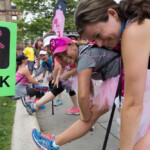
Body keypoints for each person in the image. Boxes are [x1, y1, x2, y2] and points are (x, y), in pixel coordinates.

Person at [74, 0, 150, 149]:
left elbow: (134, 104)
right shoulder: (137, 22)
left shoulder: (134, 29)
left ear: (112, 14)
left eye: (98, 34)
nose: (99, 44)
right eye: (94, 40)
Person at [30, 36, 121, 150]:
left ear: (73, 45)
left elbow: (82, 95)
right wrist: (92, 98)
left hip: (123, 79)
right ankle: (53, 142)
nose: (64, 58)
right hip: (117, 78)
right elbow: (88, 84)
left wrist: (85, 115)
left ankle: (53, 143)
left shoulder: (85, 57)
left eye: (64, 52)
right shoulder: (84, 53)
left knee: (90, 118)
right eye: (59, 56)